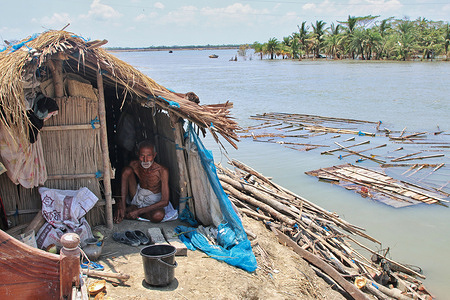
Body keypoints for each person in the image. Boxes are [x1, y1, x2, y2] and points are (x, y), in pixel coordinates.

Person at [114, 141, 169, 224]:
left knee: (158, 215)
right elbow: (120, 182)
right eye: (142, 156)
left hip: (153, 201)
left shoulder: (162, 171)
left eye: (149, 156)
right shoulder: (134, 164)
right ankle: (125, 209)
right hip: (138, 195)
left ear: (154, 155)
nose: (145, 160)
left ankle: (135, 212)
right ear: (137, 154)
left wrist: (139, 211)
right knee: (126, 170)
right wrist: (121, 205)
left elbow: (165, 201)